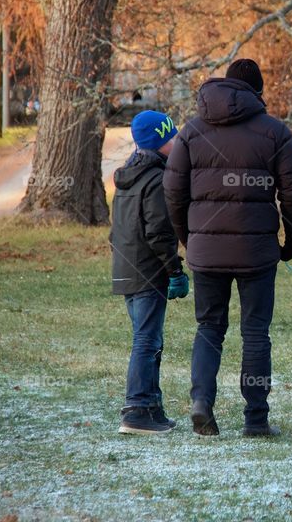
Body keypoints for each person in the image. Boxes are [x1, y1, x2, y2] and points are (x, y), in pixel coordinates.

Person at [164, 58, 292, 438]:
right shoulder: (275, 132)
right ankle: (256, 418)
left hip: (206, 252)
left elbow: (173, 192)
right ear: (257, 92)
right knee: (256, 333)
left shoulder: (191, 133)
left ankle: (201, 404)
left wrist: (189, 237)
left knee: (209, 328)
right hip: (257, 253)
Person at [110, 110, 190, 434]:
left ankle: (153, 406)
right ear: (160, 142)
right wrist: (175, 271)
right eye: (173, 137)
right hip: (147, 272)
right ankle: (137, 408)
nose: (178, 142)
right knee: (146, 340)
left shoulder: (128, 177)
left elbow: (117, 231)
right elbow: (158, 232)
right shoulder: (156, 179)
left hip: (126, 270)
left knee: (151, 339)